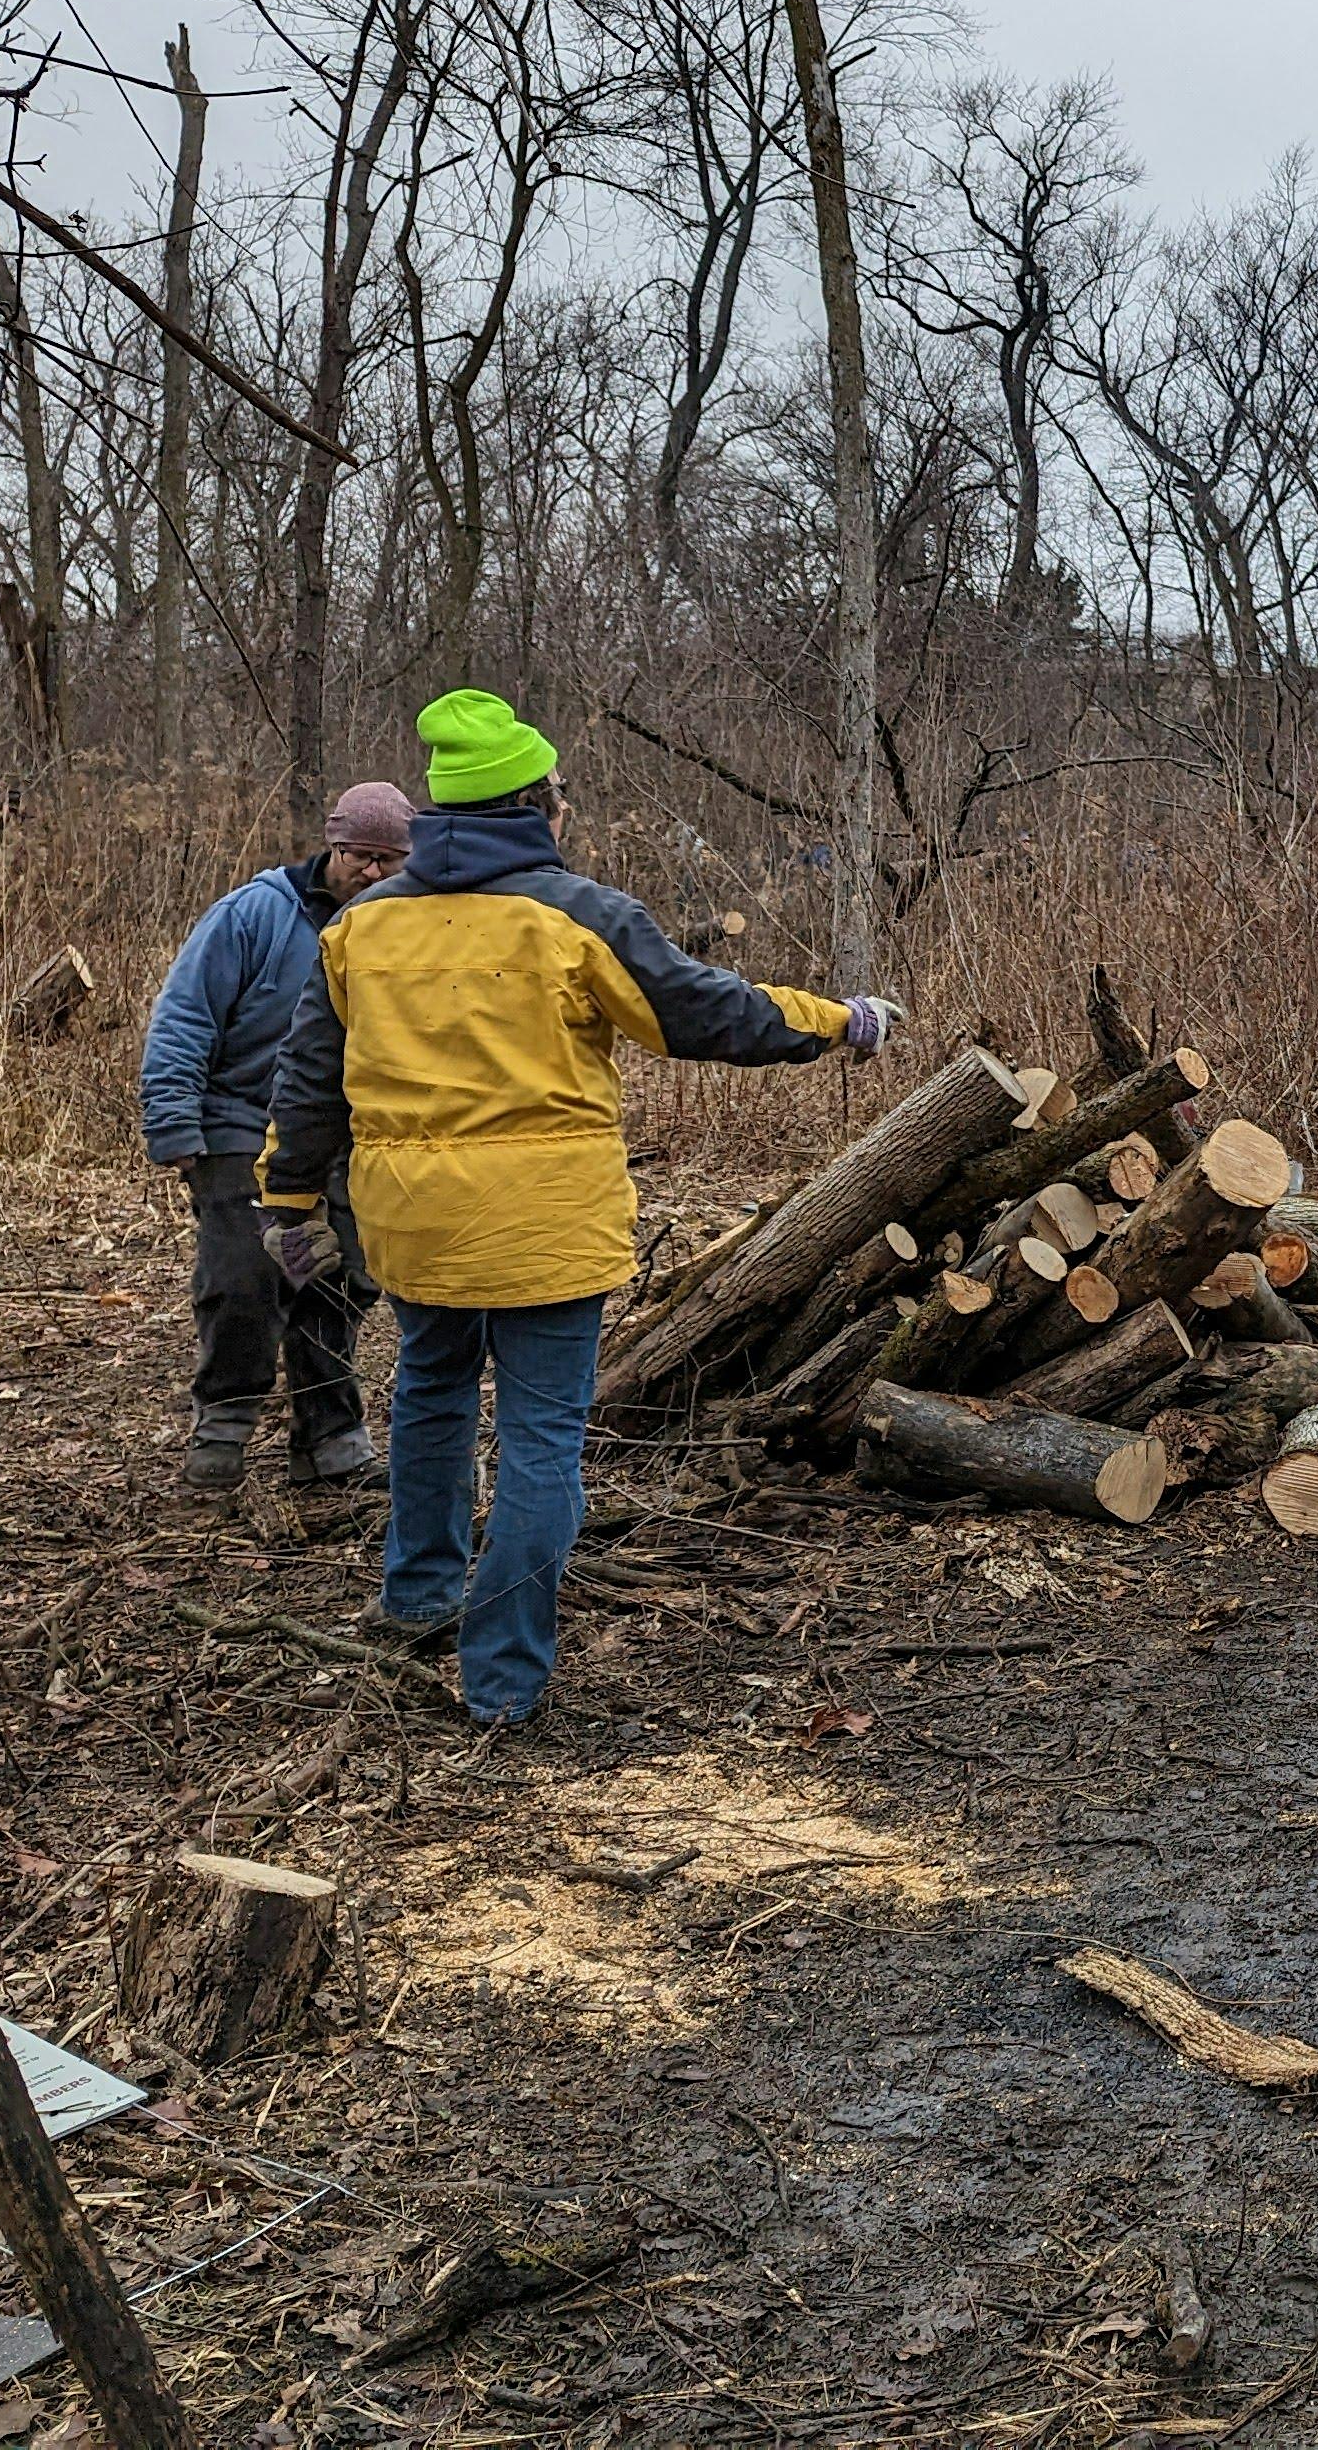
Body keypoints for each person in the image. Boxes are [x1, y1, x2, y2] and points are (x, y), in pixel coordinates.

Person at [260, 692, 893, 1729]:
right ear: (534, 804)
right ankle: (504, 1680)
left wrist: (288, 1203)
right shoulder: (578, 914)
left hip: (413, 1224)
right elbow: (706, 1011)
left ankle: (416, 1598)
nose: (566, 809)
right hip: (546, 1229)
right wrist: (841, 1022)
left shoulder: (360, 926)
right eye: (559, 794)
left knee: (428, 1396)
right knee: (544, 1439)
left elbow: (308, 1079)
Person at [140, 782, 414, 1493]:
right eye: (362, 856)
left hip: (347, 1138)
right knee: (246, 1280)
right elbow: (185, 1017)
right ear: (334, 845)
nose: (374, 873)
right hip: (241, 1125)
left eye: (391, 860)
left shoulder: (404, 925)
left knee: (339, 1280)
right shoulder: (255, 913)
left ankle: (329, 1438)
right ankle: (223, 1426)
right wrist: (173, 1121)